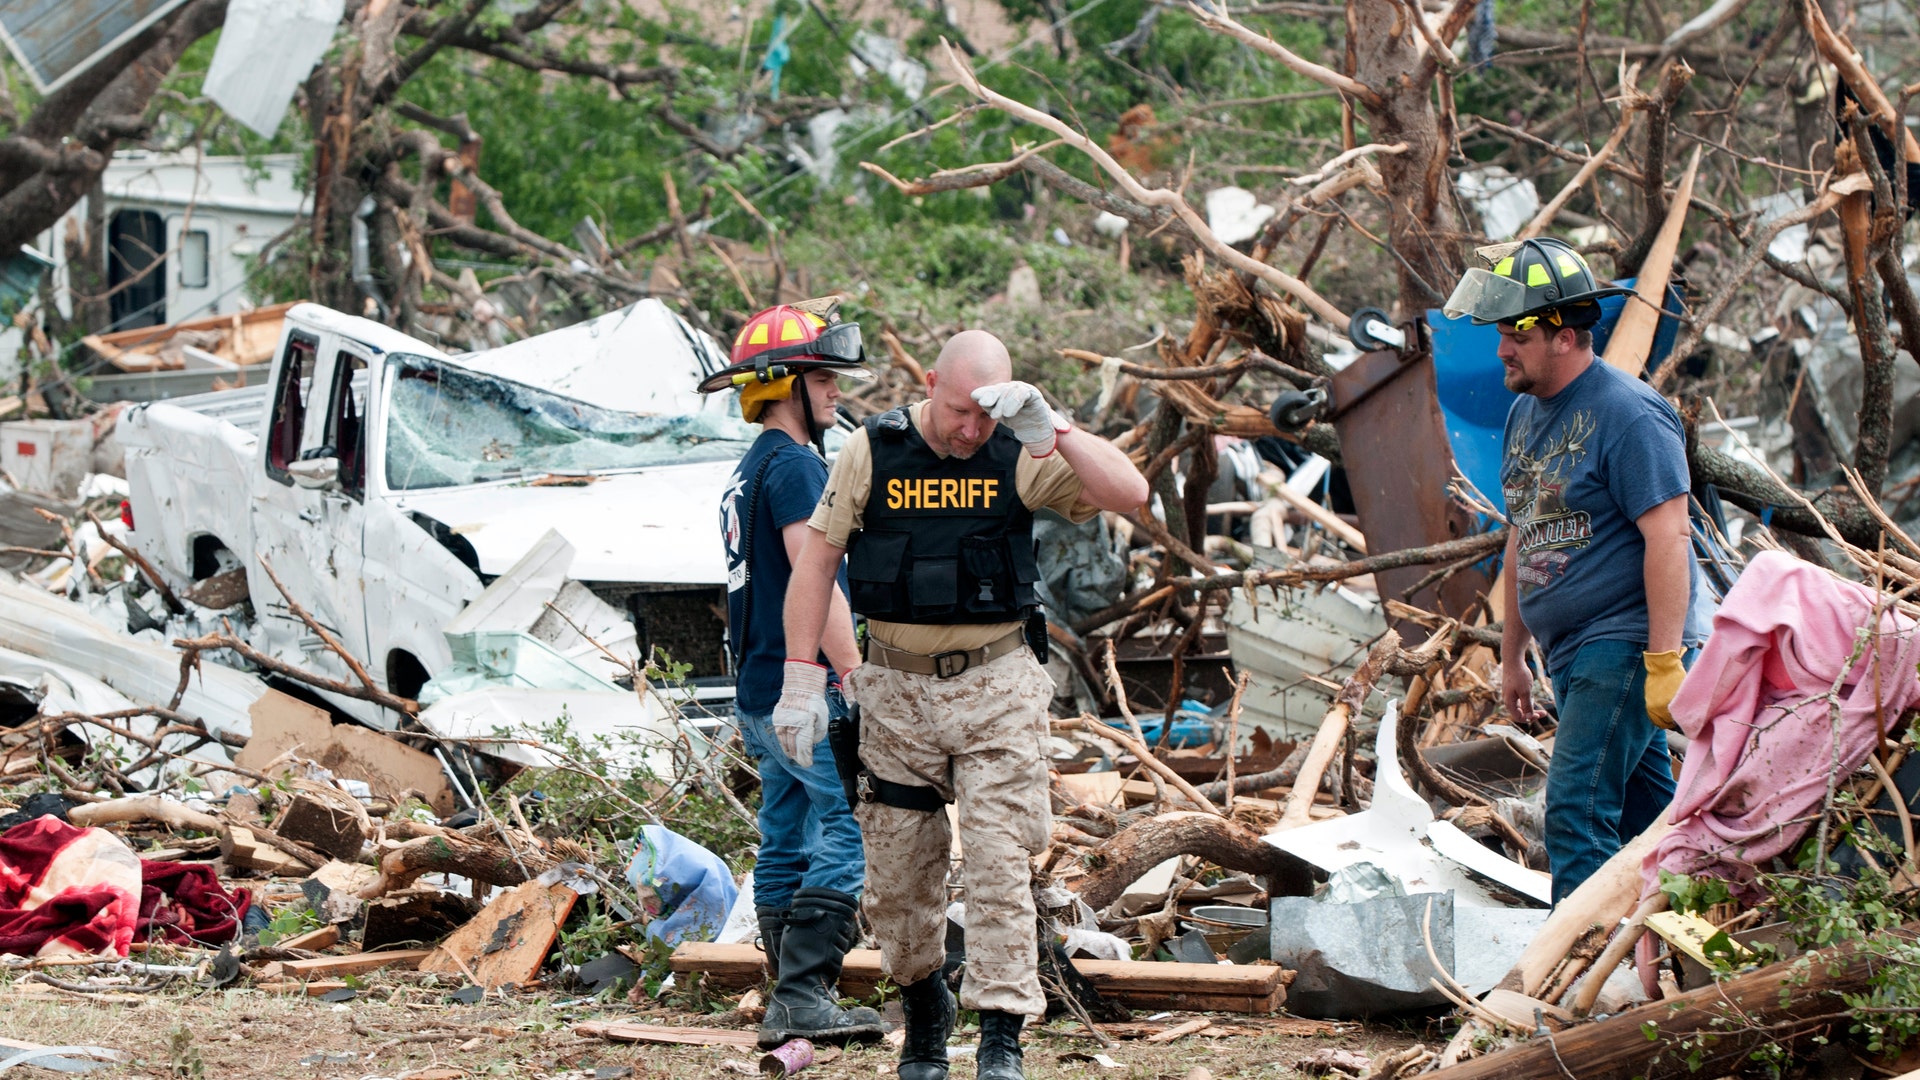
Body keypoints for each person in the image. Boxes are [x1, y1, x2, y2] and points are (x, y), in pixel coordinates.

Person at [777, 330, 1149, 1080]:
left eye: (984, 416)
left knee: (999, 864)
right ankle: (923, 1016)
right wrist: (800, 679)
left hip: (997, 688)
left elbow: (1129, 495)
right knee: (900, 872)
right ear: (928, 381)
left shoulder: (1021, 450)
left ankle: (1001, 1035)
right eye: (957, 411)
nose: (970, 430)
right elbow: (817, 561)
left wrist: (1058, 430)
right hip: (895, 693)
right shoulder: (872, 450)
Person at [1443, 236, 1711, 904]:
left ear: (1565, 335)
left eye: (1516, 336)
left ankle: (1572, 985)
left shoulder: (1628, 413)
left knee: (1573, 811)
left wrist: (1662, 661)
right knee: (1650, 826)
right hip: (1570, 654)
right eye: (1501, 334)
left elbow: (1669, 536)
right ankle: (1682, 965)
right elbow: (1522, 532)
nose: (1502, 349)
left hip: (1619, 645)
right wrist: (1511, 655)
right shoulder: (1524, 414)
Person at [697, 299, 885, 1050]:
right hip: (802, 685)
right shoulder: (798, 468)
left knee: (785, 831)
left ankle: (788, 987)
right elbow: (817, 582)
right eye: (823, 378)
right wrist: (856, 675)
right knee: (851, 825)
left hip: (758, 691)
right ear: (784, 385)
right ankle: (805, 993)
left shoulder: (747, 471)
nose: (837, 392)